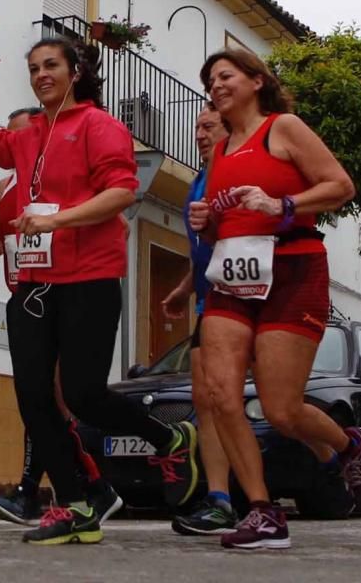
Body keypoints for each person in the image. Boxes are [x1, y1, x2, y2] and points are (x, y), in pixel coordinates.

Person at [0, 39, 198, 546]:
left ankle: (169, 438)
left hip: (89, 276)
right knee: (31, 395)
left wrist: (58, 222)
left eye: (51, 65)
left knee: (83, 394)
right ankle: (76, 502)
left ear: (75, 71)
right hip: (33, 282)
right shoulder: (30, 135)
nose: (41, 74)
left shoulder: (100, 126)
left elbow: (122, 192)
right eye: (33, 68)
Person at [189, 49, 361, 551]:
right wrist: (205, 223)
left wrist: (285, 204)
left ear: (256, 81)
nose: (216, 86)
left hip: (293, 268)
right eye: (211, 80)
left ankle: (349, 444)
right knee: (220, 395)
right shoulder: (219, 149)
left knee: (280, 408)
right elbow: (219, 230)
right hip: (232, 277)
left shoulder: (285, 128)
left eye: (225, 76)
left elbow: (340, 185)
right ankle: (261, 510)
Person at [0, 109, 119, 527]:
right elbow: (2, 243)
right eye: (16, 138)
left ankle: (38, 490)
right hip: (23, 299)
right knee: (35, 398)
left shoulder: (62, 183)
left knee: (52, 398)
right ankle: (85, 488)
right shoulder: (3, 189)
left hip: (61, 296)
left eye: (31, 137)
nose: (24, 146)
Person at [163, 105, 238, 536]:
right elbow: (204, 251)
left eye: (209, 126)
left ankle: (341, 449)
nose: (200, 134)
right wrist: (182, 289)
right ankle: (219, 499)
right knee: (206, 399)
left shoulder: (240, 172)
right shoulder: (195, 183)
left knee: (281, 405)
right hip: (211, 305)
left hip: (253, 300)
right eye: (197, 127)